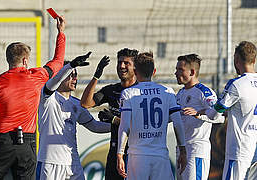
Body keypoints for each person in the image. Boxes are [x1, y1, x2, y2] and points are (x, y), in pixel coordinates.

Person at [0, 16, 66, 180]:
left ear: (8, 59)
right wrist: (60, 33)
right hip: (27, 142)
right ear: (25, 60)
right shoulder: (37, 76)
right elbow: (58, 61)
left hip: (0, 142)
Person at [36, 54, 114, 180]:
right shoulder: (47, 98)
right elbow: (51, 85)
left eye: (76, 75)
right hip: (50, 163)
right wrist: (70, 65)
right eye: (70, 75)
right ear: (60, 76)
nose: (74, 78)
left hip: (73, 163)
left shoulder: (76, 103)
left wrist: (118, 124)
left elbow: (94, 126)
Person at [117, 52, 187, 180]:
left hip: (137, 156)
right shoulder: (168, 92)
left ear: (135, 71)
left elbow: (125, 126)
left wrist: (120, 154)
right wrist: (183, 150)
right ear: (154, 71)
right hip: (160, 156)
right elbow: (177, 123)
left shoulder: (128, 93)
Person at [197, 41, 257, 180]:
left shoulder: (236, 84)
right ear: (254, 60)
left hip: (239, 151)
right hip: (255, 151)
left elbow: (214, 114)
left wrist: (202, 112)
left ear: (236, 60)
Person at [80, 48, 138, 180]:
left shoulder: (140, 91)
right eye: (119, 62)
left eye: (126, 63)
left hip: (135, 153)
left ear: (135, 67)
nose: (121, 66)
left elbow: (139, 124)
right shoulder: (112, 90)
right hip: (114, 152)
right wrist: (96, 76)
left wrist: (114, 120)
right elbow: (85, 103)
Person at [174, 53, 225, 180]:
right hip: (181, 149)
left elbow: (220, 117)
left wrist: (198, 114)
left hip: (196, 150)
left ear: (192, 72)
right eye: (176, 69)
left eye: (180, 70)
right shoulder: (180, 93)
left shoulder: (204, 92)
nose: (176, 73)